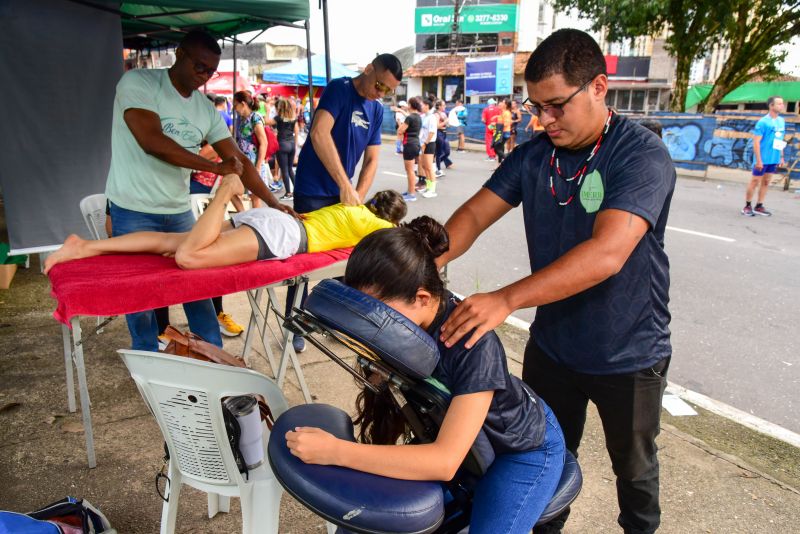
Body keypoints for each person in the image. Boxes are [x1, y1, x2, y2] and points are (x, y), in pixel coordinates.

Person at [435, 29, 676, 534]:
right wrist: (422, 260)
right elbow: (474, 217)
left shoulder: (640, 155)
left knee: (634, 471)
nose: (543, 120)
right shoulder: (533, 155)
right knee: (540, 462)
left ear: (598, 87)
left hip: (627, 352)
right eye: (535, 106)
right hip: (554, 348)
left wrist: (505, 299)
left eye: (556, 106)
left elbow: (607, 254)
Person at [285, 218, 566, 533]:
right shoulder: (397, 330)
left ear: (421, 298)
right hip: (462, 439)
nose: (371, 328)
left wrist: (336, 451)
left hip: (519, 450)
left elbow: (444, 462)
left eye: (379, 315)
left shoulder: (473, 343)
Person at [102, 30, 295, 352]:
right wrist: (215, 168)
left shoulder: (205, 110)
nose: (204, 76)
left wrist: (275, 202)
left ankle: (212, 353)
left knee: (197, 287)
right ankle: (146, 357)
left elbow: (239, 159)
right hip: (133, 207)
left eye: (211, 71)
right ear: (179, 54)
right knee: (140, 294)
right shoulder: (140, 83)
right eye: (199, 66)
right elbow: (151, 141)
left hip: (177, 210)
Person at [45, 175, 406, 274]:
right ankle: (225, 192)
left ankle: (85, 246)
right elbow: (402, 241)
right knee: (188, 257)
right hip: (281, 235)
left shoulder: (349, 209)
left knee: (170, 242)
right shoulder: (376, 225)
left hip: (271, 221)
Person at [290, 53, 402, 352]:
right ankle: (294, 324)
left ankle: (330, 319)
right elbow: (318, 133)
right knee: (303, 261)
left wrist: (359, 197)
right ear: (368, 69)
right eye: (379, 85)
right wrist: (343, 184)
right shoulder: (340, 89)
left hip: (344, 196)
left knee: (344, 261)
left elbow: (373, 158)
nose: (381, 93)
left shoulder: (376, 110)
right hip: (314, 189)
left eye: (388, 91)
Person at [742, 96, 785, 217]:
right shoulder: (763, 122)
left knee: (766, 182)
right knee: (755, 181)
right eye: (779, 104)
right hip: (762, 158)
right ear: (771, 106)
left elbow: (779, 139)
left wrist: (781, 157)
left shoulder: (781, 121)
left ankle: (759, 206)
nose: (782, 106)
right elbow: (756, 142)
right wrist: (759, 160)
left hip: (774, 158)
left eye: (782, 104)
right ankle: (747, 206)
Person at [233, 90, 273, 207]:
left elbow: (263, 142)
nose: (234, 108)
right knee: (232, 190)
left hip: (254, 162)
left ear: (243, 104)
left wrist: (258, 166)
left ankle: (254, 223)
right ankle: (244, 216)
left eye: (235, 105)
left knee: (255, 197)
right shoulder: (241, 120)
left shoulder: (255, 118)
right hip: (242, 161)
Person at [267, 97, 300, 201]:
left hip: (282, 144)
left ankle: (288, 193)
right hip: (291, 144)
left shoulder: (279, 118)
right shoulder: (293, 117)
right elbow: (297, 132)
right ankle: (297, 191)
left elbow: (266, 121)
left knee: (284, 169)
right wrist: (295, 147)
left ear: (279, 108)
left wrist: (267, 111)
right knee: (290, 169)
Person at [396, 97, 423, 202]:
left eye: (408, 104)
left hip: (409, 144)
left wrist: (401, 124)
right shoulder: (418, 117)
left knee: (410, 171)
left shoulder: (409, 118)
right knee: (411, 170)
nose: (406, 106)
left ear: (411, 105)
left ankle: (411, 194)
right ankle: (409, 191)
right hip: (416, 144)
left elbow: (400, 130)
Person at [418, 98, 439, 199]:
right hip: (422, 144)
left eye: (422, 105)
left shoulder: (432, 117)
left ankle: (432, 190)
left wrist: (425, 144)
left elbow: (432, 132)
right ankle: (428, 187)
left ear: (427, 106)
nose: (421, 107)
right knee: (424, 166)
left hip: (429, 144)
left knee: (429, 167)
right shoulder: (424, 117)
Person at [434, 100, 454, 176]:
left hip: (444, 133)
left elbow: (447, 124)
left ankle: (434, 165)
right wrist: (445, 122)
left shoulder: (444, 113)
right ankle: (438, 169)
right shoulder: (436, 114)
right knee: (438, 153)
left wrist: (449, 123)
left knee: (447, 152)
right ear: (439, 106)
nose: (445, 106)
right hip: (438, 133)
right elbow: (437, 126)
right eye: (443, 105)